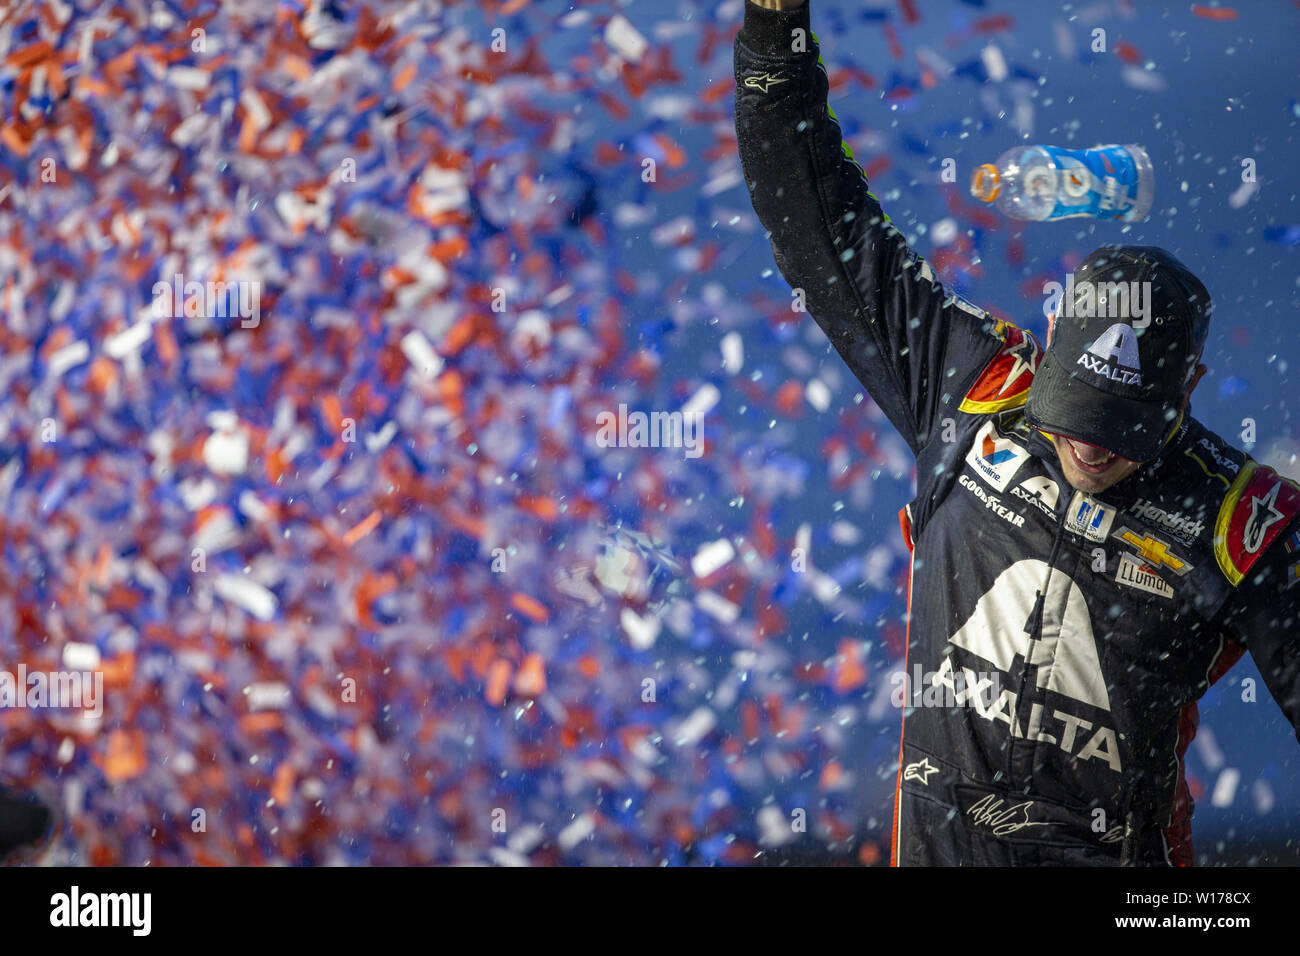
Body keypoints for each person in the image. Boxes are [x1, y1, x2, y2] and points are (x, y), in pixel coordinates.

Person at [734, 0, 1300, 865]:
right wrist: (776, 32)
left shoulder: (1246, 519)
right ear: (1052, 345)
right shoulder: (976, 383)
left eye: (1120, 428)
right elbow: (814, 222)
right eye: (1074, 412)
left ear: (1186, 392)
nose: (1090, 446)